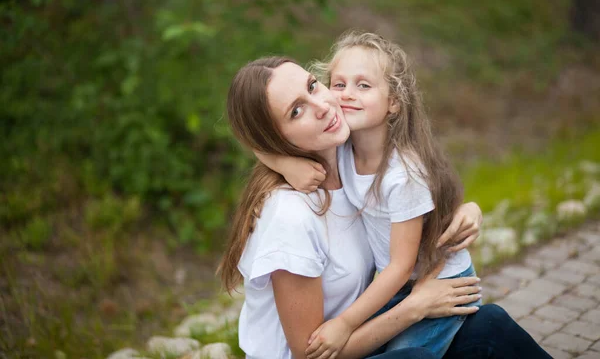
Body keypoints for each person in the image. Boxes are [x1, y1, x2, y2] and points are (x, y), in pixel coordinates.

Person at [218, 56, 551, 359]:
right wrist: (414, 308)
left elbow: (407, 194)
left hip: (355, 339)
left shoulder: (347, 164)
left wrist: (467, 210)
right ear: (275, 138)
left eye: (312, 86)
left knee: (489, 324)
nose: (321, 105)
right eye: (296, 110)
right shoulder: (291, 216)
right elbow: (309, 355)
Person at [257, 31, 479, 358]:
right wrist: (284, 163)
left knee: (406, 354)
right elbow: (255, 133)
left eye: (364, 85)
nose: (347, 94)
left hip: (440, 283)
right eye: (339, 84)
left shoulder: (402, 175)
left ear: (393, 102)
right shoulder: (343, 147)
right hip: (397, 289)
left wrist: (345, 322)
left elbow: (401, 266)